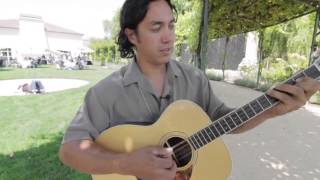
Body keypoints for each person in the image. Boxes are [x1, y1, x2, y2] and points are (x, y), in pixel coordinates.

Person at [59, 0, 320, 179]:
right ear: (132, 36)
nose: (169, 36)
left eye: (171, 25)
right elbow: (70, 150)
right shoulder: (106, 93)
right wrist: (124, 163)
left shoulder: (194, 79)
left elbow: (225, 121)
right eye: (156, 27)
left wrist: (270, 110)